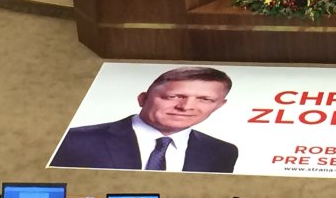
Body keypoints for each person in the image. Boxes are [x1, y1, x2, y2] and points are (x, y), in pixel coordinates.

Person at [50, 66, 238, 173]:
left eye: (205, 99)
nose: (186, 106)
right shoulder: (73, 140)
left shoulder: (222, 152)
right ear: (143, 99)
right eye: (173, 97)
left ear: (219, 105)